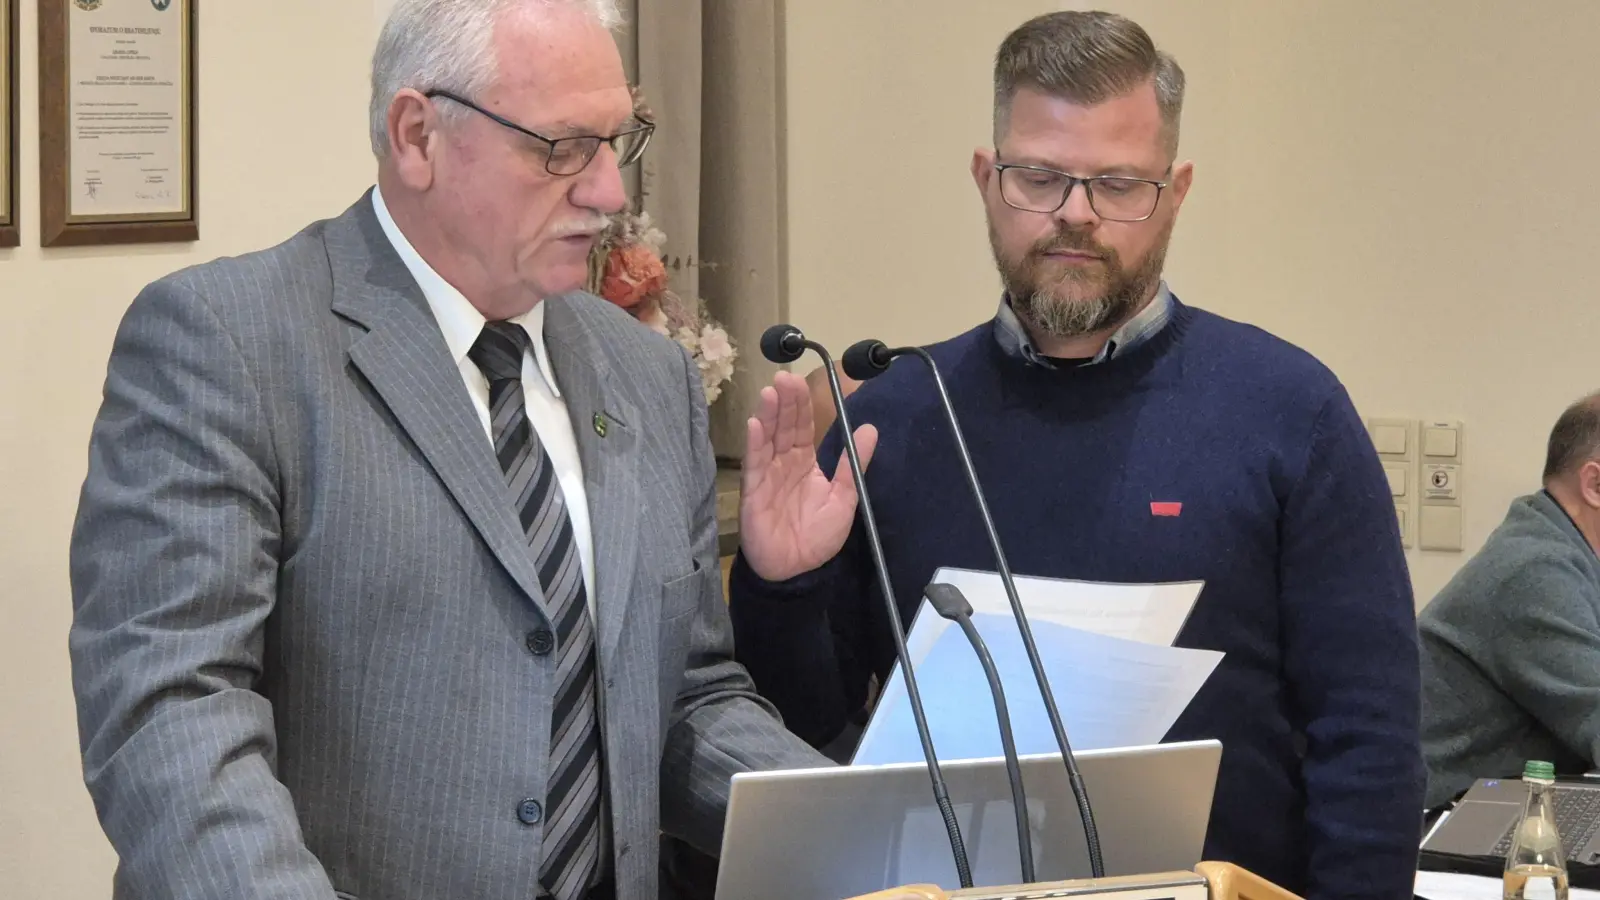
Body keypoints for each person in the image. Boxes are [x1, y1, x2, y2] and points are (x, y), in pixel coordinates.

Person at [66, 2, 826, 898]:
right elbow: (173, 715)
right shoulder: (229, 343)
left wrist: (872, 826)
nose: (609, 193)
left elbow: (686, 697)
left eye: (620, 141)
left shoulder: (645, 371)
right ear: (418, 134)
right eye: (561, 148)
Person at [730, 10, 1423, 899]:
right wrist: (782, 587)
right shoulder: (893, 418)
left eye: (1119, 185)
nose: (1075, 216)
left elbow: (1367, 735)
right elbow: (809, 734)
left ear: (1175, 193)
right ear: (987, 180)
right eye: (1039, 178)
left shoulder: (1293, 412)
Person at [1420, 391, 1600, 808]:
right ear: (1594, 483)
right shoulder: (1534, 571)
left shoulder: (1560, 550)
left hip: (1490, 810)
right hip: (1439, 828)